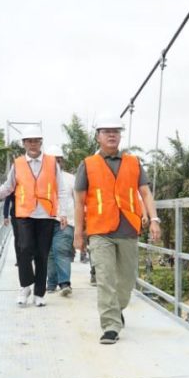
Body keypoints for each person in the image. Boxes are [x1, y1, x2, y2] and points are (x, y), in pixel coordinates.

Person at [73, 115, 161, 345]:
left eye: (116, 131)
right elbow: (79, 200)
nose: (112, 135)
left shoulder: (133, 162)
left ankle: (117, 308)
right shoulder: (87, 164)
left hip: (128, 228)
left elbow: (145, 193)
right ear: (98, 136)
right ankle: (111, 325)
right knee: (105, 278)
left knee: (127, 281)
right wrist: (78, 233)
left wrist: (154, 219)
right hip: (99, 230)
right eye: (106, 131)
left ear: (120, 135)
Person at [0, 133, 68, 307]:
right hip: (24, 214)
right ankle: (25, 285)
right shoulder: (17, 163)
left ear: (41, 142)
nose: (32, 144)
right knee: (24, 250)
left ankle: (39, 294)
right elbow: (8, 187)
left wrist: (62, 213)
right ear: (24, 143)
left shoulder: (51, 163)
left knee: (42, 254)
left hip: (46, 214)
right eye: (28, 141)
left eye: (36, 141)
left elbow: (61, 190)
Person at [44, 145, 76, 297]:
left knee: (61, 250)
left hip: (67, 221)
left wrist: (82, 226)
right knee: (50, 253)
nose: (55, 163)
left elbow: (79, 201)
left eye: (58, 160)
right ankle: (51, 284)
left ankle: (65, 283)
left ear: (62, 161)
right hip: (46, 221)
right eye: (52, 160)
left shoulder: (71, 179)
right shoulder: (40, 179)